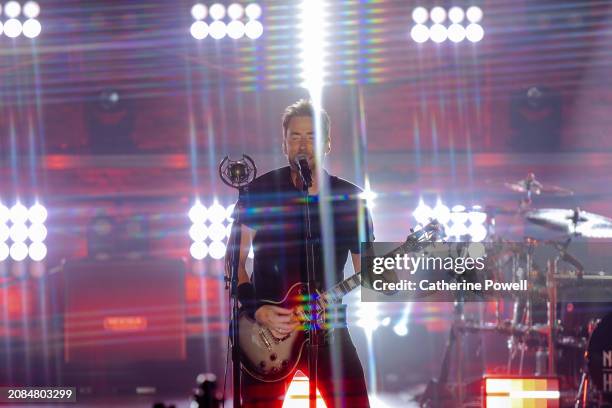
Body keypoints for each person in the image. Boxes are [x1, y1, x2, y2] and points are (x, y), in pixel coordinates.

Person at [228, 99, 374, 407]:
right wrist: (256, 309)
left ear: (327, 144)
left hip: (329, 329)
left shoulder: (350, 200)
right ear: (284, 144)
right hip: (265, 330)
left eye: (312, 136)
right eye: (295, 136)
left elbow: (368, 272)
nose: (303, 144)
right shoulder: (260, 192)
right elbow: (234, 263)